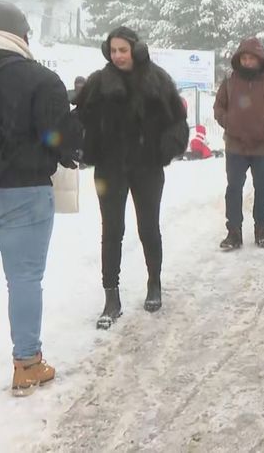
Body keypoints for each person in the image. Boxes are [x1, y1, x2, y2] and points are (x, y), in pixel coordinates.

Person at [0, 0, 80, 396]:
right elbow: (60, 139)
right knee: (23, 280)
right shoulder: (39, 78)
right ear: (20, 35)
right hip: (24, 194)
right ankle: (27, 364)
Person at [77, 26, 190, 330]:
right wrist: (84, 146)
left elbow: (178, 123)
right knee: (111, 231)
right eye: (113, 51)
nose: (117, 56)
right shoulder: (99, 82)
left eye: (123, 50)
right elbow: (81, 120)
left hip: (147, 167)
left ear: (135, 50)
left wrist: (164, 150)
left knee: (148, 228)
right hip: (110, 168)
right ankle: (111, 298)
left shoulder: (157, 80)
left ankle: (154, 283)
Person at [214, 38, 264, 250]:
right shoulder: (230, 80)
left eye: (251, 58)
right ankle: (234, 233)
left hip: (263, 147)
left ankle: (261, 231)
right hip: (235, 145)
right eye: (244, 58)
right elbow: (218, 106)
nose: (247, 62)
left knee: (263, 189)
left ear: (260, 59)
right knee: (234, 189)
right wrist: (227, 121)